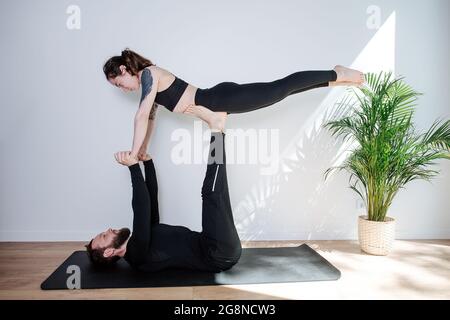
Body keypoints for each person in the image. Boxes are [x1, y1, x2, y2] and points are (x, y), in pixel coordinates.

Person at [103, 48, 365, 161]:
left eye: (118, 83)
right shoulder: (148, 86)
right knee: (281, 92)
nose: (122, 89)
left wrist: (132, 152)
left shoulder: (149, 74)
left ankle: (336, 73)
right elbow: (148, 119)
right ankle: (335, 82)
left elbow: (140, 117)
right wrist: (142, 149)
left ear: (125, 70)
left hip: (220, 99)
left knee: (280, 89)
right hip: (216, 104)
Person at [86, 113, 242, 273]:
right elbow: (141, 206)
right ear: (109, 252)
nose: (109, 230)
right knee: (212, 194)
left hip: (212, 244)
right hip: (217, 252)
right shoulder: (136, 255)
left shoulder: (143, 239)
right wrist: (133, 168)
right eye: (104, 236)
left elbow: (151, 200)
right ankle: (217, 130)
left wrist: (147, 163)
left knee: (212, 193)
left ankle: (218, 131)